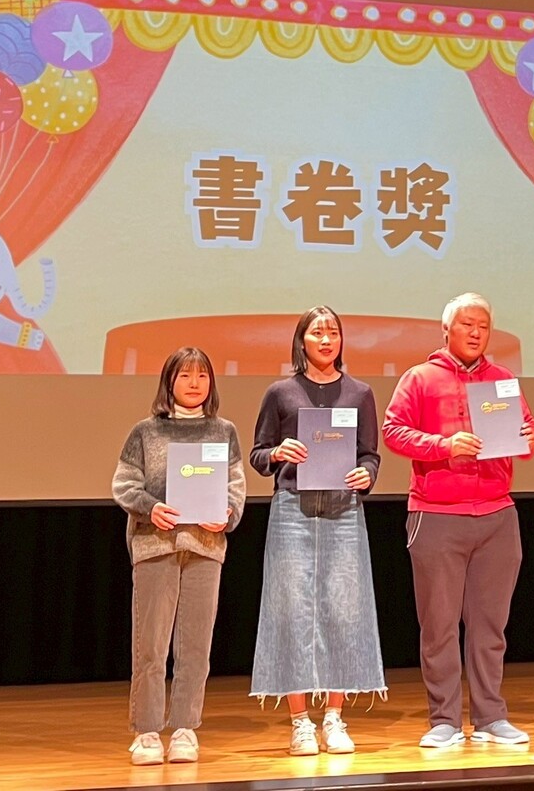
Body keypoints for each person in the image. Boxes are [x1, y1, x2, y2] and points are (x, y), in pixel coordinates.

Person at [383, 292, 534, 748]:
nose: (475, 332)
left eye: (483, 326)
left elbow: (528, 434)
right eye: (467, 324)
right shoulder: (420, 377)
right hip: (436, 515)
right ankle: (445, 719)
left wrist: (526, 437)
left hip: (496, 513)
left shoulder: (503, 380)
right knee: (440, 626)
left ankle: (490, 716)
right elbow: (393, 431)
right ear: (446, 329)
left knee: (491, 627)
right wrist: (443, 445)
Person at [248, 306, 386, 756]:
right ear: (301, 340)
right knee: (291, 610)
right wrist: (277, 453)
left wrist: (367, 473)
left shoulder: (360, 393)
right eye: (317, 333)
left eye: (333, 333)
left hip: (343, 510)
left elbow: (369, 454)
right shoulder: (281, 393)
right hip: (293, 508)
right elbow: (258, 453)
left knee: (343, 609)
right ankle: (300, 722)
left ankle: (334, 717)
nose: (326, 340)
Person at [111, 346, 247, 765]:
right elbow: (124, 483)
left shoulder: (224, 431)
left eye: (202, 376)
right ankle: (147, 731)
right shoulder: (146, 432)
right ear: (169, 382)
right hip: (156, 546)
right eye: (185, 375)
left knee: (195, 647)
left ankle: (186, 728)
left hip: (205, 549)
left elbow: (235, 485)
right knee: (150, 646)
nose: (194, 383)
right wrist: (150, 507)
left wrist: (227, 513)